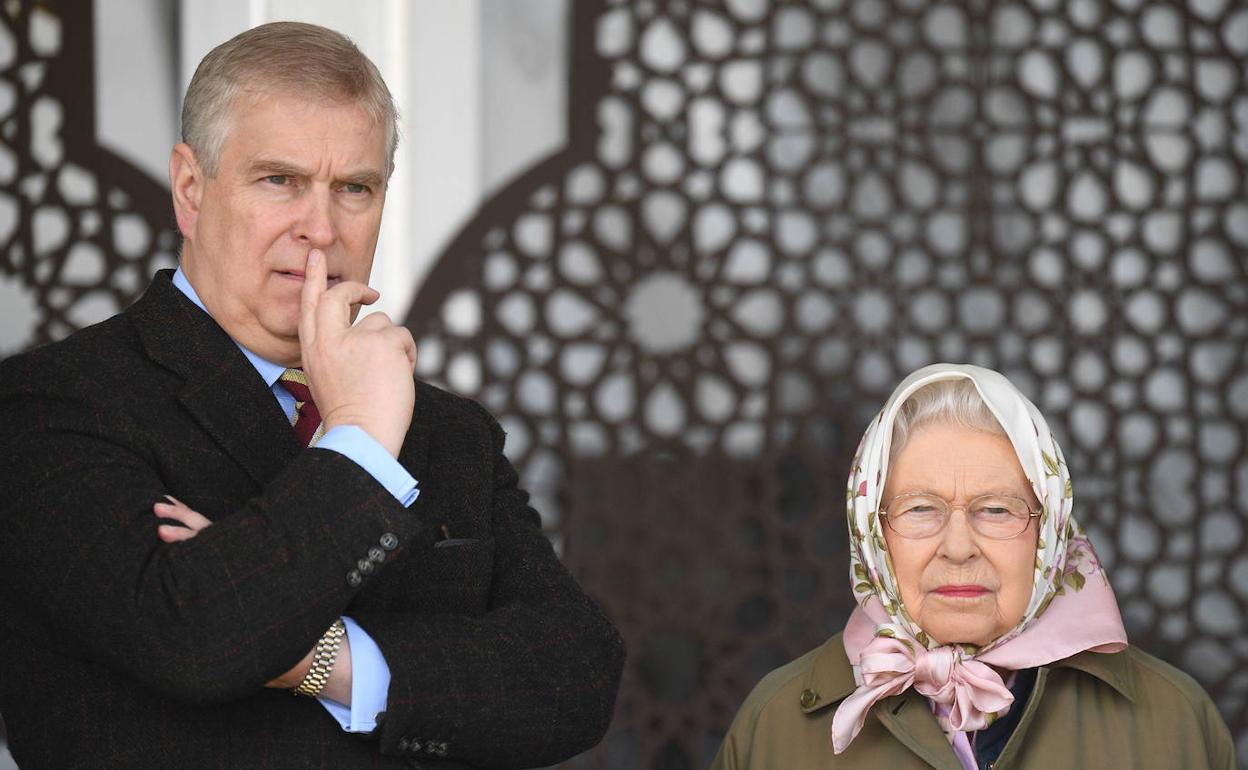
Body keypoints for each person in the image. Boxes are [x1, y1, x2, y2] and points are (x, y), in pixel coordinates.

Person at [0, 22, 623, 769]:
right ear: (191, 190)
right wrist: (358, 442)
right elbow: (192, 639)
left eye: (353, 188)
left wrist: (322, 658)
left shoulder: (450, 431)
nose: (320, 230)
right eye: (280, 181)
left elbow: (578, 675)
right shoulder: (55, 402)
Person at [712, 364, 1235, 769]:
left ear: (1048, 534)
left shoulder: (1173, 722)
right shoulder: (777, 725)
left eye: (996, 510)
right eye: (920, 509)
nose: (958, 547)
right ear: (873, 533)